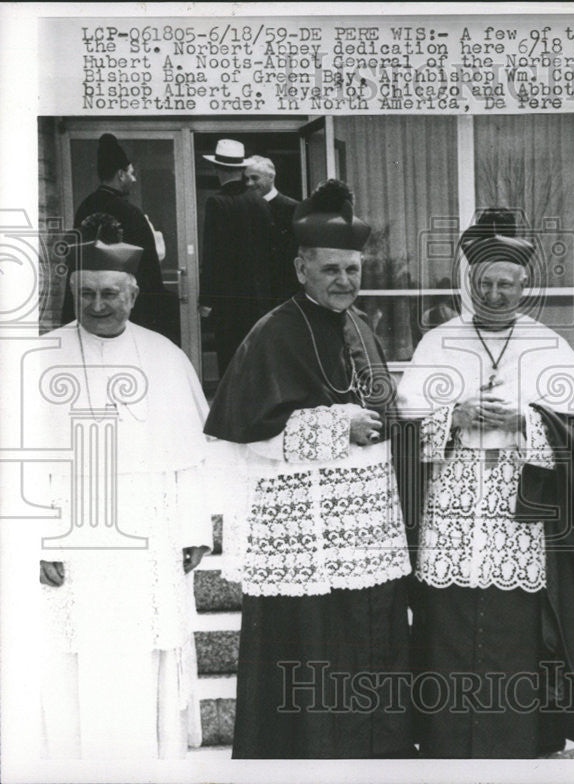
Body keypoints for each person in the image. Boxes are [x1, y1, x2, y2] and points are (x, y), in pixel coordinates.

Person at [203, 179, 413, 759]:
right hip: (306, 537)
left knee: (369, 643)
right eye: (331, 270)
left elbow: (384, 410)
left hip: (367, 530)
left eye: (352, 269)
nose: (345, 281)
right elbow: (250, 436)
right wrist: (333, 428)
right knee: (314, 649)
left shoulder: (363, 327)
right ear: (301, 269)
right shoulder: (272, 332)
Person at [396, 208, 574, 758]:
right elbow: (402, 432)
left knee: (518, 631)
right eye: (483, 283)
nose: (494, 294)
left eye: (505, 284)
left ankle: (520, 739)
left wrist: (526, 421)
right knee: (448, 624)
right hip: (453, 503)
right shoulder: (437, 342)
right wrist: (451, 418)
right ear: (468, 282)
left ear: (524, 285)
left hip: (522, 508)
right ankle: (444, 740)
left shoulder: (550, 346)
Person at [32, 238, 213, 759]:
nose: (97, 305)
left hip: (151, 538)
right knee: (72, 655)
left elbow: (189, 461)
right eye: (85, 293)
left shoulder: (164, 356)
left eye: (110, 293)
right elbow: (24, 466)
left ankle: (152, 762)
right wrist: (38, 541)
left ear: (132, 295)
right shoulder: (43, 357)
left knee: (148, 649)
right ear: (72, 292)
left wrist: (195, 531)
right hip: (73, 540)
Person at [67, 133, 177, 342]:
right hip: (126, 311)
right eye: (131, 173)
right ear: (121, 174)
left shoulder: (85, 207)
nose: (134, 179)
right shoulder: (131, 213)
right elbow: (148, 269)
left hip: (90, 304)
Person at [199, 138, 275, 375]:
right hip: (259, 298)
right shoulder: (259, 202)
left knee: (230, 362)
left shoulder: (217, 202)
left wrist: (206, 298)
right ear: (242, 170)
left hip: (228, 300)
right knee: (255, 360)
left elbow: (213, 253)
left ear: (217, 169)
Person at [245, 154, 301, 305]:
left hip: (282, 293)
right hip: (253, 295)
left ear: (271, 177)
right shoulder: (244, 208)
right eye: (246, 179)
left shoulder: (293, 209)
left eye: (255, 178)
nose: (249, 183)